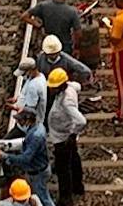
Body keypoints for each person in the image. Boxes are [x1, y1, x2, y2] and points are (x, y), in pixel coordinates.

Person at [45, 64, 87, 206]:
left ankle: (66, 198)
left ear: (60, 86)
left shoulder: (66, 102)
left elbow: (81, 121)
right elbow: (78, 86)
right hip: (65, 133)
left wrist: (72, 135)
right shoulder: (71, 87)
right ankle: (78, 186)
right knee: (74, 158)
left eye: (53, 86)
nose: (50, 89)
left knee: (63, 169)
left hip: (63, 137)